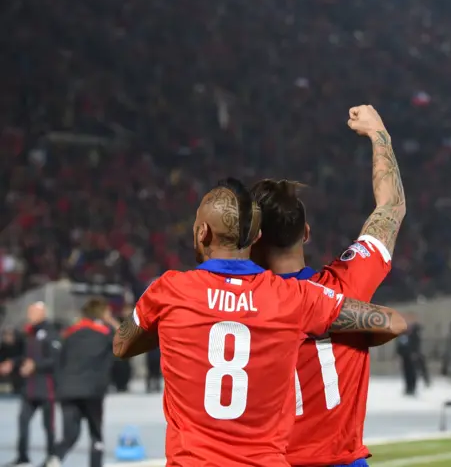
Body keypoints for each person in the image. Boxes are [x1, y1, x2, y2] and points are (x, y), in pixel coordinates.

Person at [112, 177, 407, 467]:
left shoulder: (171, 291)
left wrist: (173, 324)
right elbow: (391, 322)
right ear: (255, 237)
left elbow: (122, 345)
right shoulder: (290, 298)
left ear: (202, 233)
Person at [250, 104, 406, 467]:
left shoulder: (239, 302)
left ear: (254, 239)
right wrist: (379, 134)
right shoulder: (347, 283)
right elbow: (391, 207)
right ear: (305, 233)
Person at [50, 298, 120, 467]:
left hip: (67, 390)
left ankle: (54, 459)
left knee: (70, 435)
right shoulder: (103, 334)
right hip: (92, 391)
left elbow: (58, 361)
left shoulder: (69, 334)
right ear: (102, 313)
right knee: (96, 434)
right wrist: (111, 321)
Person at [0, 302, 61, 467]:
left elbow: (55, 359)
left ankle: (51, 456)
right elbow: (24, 356)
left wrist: (35, 365)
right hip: (30, 387)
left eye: (32, 313)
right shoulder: (29, 333)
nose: (29, 316)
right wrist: (12, 363)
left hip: (47, 387)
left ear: (42, 313)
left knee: (48, 425)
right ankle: (22, 456)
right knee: (22, 420)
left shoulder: (51, 332)